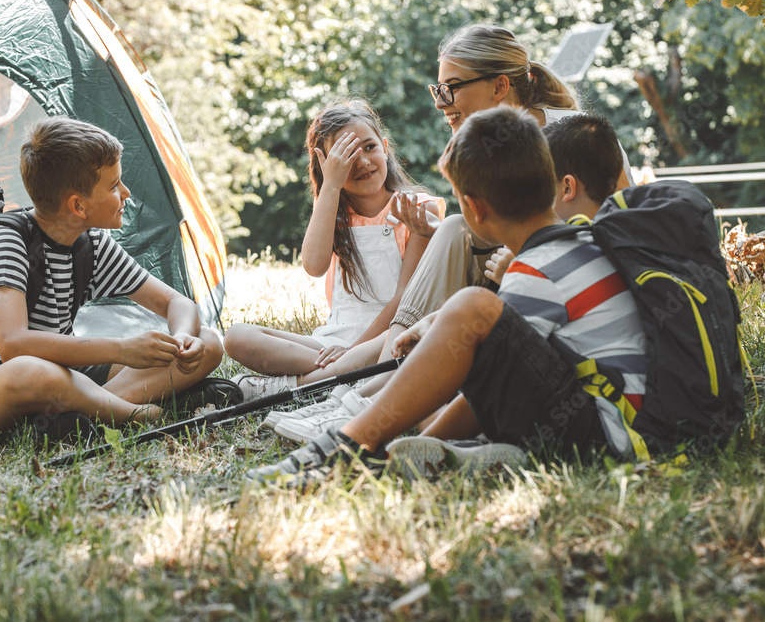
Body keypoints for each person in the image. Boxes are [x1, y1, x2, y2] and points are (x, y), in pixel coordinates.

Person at [265, 24, 637, 445]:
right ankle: (372, 389)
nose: (443, 104)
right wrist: (432, 233)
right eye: (437, 90)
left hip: (564, 283)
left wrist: (522, 261)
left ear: (499, 86)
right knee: (455, 227)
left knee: (458, 234)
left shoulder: (575, 137)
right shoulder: (479, 140)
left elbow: (624, 234)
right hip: (518, 279)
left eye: (452, 89)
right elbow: (488, 229)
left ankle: (368, 397)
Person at [246, 106, 647, 488]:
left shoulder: (536, 270)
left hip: (601, 434)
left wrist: (411, 438)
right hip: (599, 416)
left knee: (470, 310)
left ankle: (346, 447)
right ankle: (475, 449)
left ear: (472, 208)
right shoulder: (571, 247)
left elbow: (496, 371)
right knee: (440, 374)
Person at [0, 117, 223, 438]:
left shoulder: (89, 244)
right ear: (78, 205)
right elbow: (13, 345)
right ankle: (136, 413)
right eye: (113, 185)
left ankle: (81, 418)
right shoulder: (7, 241)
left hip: (68, 377)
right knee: (30, 371)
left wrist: (181, 341)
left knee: (209, 342)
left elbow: (175, 301)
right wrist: (121, 349)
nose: (126, 192)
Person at [225, 99, 443, 400]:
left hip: (390, 333)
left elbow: (404, 299)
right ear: (327, 166)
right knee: (237, 337)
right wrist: (330, 187)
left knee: (377, 350)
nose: (363, 161)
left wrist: (355, 350)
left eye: (369, 147)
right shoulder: (333, 214)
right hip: (335, 338)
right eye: (347, 156)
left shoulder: (416, 208)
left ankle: (291, 387)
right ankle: (342, 375)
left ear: (385, 146)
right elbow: (314, 265)